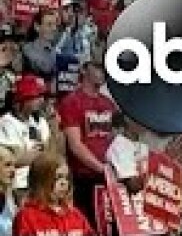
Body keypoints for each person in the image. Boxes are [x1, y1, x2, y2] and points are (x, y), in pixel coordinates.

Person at [57, 62, 116, 223]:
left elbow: (116, 139)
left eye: (104, 68)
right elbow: (75, 145)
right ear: (84, 70)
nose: (102, 72)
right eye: (97, 67)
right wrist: (101, 168)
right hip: (83, 177)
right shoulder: (71, 101)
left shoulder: (109, 103)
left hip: (109, 176)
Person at [12, 152, 93, 236]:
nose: (64, 183)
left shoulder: (75, 215)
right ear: (40, 181)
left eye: (66, 178)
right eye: (57, 177)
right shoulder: (26, 217)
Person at [0, 76, 51, 193]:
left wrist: (33, 155)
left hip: (40, 183)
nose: (41, 100)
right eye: (36, 96)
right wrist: (32, 155)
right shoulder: (6, 123)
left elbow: (49, 153)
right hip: (16, 186)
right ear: (22, 98)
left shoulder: (41, 122)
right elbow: (9, 160)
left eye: (42, 96)